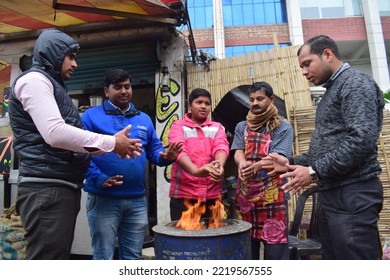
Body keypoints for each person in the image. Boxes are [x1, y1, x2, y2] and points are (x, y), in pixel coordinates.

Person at [8, 30, 143, 260]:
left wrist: (114, 146)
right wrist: (111, 142)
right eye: (70, 57)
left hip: (58, 186)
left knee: (56, 259)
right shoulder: (34, 80)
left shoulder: (53, 85)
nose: (75, 64)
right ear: (53, 54)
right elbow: (55, 134)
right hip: (46, 188)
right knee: (47, 263)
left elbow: (71, 141)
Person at [266, 35, 384, 260]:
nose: (303, 71)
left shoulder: (355, 83)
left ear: (327, 54)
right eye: (301, 67)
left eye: (307, 63)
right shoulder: (331, 92)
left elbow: (362, 140)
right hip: (333, 194)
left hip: (353, 193)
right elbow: (321, 154)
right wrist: (290, 163)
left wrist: (313, 172)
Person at [81, 68, 182, 260]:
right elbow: (80, 152)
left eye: (127, 86)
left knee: (133, 258)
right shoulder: (90, 117)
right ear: (106, 91)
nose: (123, 91)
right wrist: (98, 178)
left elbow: (153, 149)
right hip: (103, 199)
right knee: (103, 257)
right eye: (117, 87)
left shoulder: (143, 119)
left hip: (137, 201)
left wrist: (165, 156)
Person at [230, 81, 293, 260]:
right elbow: (237, 150)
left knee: (275, 245)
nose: (255, 103)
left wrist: (255, 166)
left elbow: (278, 157)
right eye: (251, 100)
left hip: (273, 196)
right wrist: (242, 163)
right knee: (247, 246)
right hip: (246, 196)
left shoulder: (283, 126)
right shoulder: (242, 126)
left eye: (260, 98)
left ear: (271, 99)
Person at [168, 88, 229, 221]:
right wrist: (195, 171)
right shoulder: (178, 126)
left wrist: (219, 165)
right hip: (184, 197)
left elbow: (222, 146)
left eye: (207, 103)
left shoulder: (217, 127)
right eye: (199, 102)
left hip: (212, 196)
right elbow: (179, 151)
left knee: (212, 238)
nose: (203, 106)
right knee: (184, 239)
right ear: (189, 105)